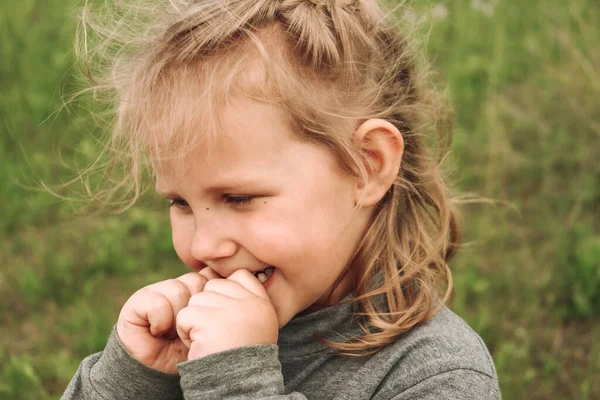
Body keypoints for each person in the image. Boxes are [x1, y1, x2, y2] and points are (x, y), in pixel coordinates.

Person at [63, 0, 501, 398]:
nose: (202, 248)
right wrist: (129, 380)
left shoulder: (437, 375)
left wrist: (234, 381)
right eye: (180, 203)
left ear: (367, 165)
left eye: (238, 198)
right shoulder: (183, 338)